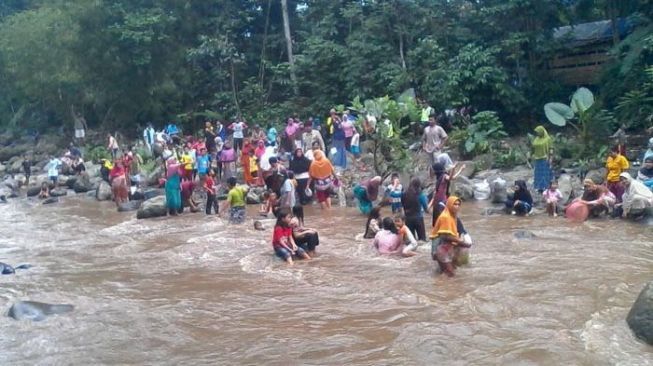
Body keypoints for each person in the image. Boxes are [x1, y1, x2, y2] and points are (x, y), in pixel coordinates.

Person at [431, 196, 465, 277]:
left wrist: (460, 239)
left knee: (445, 273)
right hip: (441, 248)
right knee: (451, 274)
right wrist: (460, 241)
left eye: (458, 204)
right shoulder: (445, 217)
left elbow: (456, 232)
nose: (457, 206)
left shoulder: (452, 216)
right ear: (449, 205)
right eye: (455, 204)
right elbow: (444, 236)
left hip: (447, 248)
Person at [401, 177, 430, 241]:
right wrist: (432, 202)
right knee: (422, 240)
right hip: (418, 219)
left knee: (411, 240)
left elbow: (402, 206)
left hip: (408, 219)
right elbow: (427, 210)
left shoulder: (403, 193)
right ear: (419, 185)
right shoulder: (420, 195)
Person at [532, 125, 553, 193]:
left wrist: (550, 158)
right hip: (537, 158)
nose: (537, 133)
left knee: (545, 173)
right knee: (538, 174)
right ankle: (539, 188)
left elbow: (551, 148)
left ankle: (546, 187)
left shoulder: (547, 139)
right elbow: (533, 147)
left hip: (544, 158)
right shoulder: (536, 139)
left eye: (538, 132)